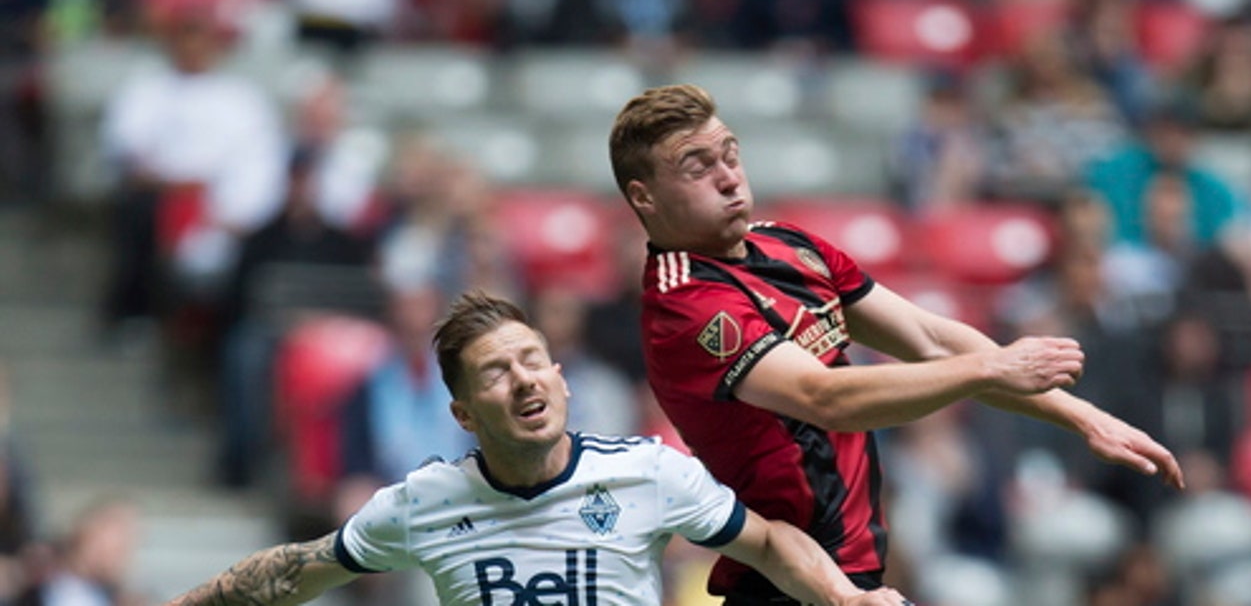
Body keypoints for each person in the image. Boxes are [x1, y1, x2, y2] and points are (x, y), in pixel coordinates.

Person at [606, 83, 1185, 603]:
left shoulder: (787, 245)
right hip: (784, 586)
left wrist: (1083, 418)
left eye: (730, 153)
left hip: (857, 575)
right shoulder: (684, 305)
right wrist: (988, 370)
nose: (728, 176)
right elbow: (824, 396)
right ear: (645, 198)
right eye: (696, 166)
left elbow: (929, 339)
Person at [161, 291, 913, 606]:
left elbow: (773, 543)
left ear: (561, 378)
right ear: (462, 412)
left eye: (532, 360)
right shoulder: (423, 502)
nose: (524, 380)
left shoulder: (646, 473)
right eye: (496, 372)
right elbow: (298, 571)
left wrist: (846, 597)